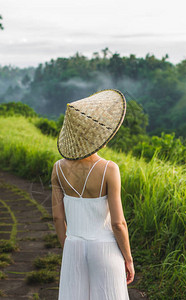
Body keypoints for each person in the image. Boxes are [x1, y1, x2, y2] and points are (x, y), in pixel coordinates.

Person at [51, 89, 134, 300]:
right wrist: (128, 258)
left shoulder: (58, 169)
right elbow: (118, 224)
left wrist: (70, 247)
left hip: (73, 246)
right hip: (105, 248)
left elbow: (58, 217)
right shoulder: (109, 169)